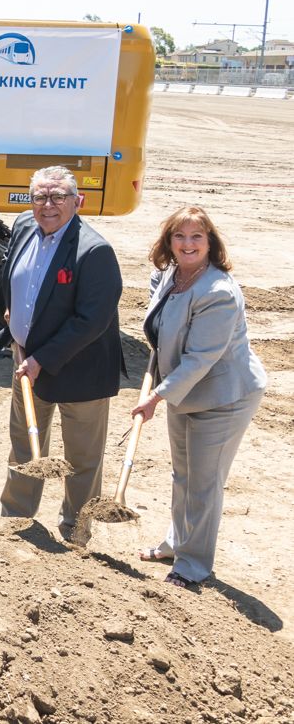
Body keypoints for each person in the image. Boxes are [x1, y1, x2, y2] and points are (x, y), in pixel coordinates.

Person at [130, 205, 266, 590]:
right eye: (180, 236)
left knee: (204, 482)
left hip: (224, 396)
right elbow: (160, 327)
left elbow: (200, 358)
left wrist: (156, 396)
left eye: (196, 237)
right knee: (184, 474)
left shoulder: (218, 292)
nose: (187, 244)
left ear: (210, 243)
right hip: (185, 393)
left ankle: (193, 566)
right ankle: (176, 543)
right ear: (169, 242)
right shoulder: (169, 275)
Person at [0, 166, 123, 540]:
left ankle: (76, 529)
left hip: (81, 370)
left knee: (81, 459)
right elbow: (8, 277)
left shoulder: (94, 251)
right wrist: (10, 316)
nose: (48, 205)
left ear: (76, 201)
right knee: (25, 446)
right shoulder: (23, 226)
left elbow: (91, 320)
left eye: (58, 197)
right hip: (26, 362)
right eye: (40, 197)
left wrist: (41, 359)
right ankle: (16, 521)